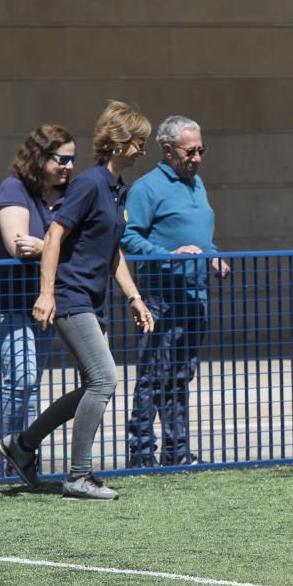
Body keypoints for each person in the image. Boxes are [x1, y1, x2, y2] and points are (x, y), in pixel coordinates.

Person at [0, 101, 156, 500]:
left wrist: (134, 297)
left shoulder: (118, 188)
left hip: (93, 298)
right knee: (105, 380)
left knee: (92, 386)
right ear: (120, 144)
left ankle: (22, 445)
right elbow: (53, 236)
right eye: (139, 143)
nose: (143, 150)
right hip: (71, 296)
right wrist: (47, 293)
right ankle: (78, 476)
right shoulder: (89, 183)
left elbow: (113, 250)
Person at [120, 115, 229, 467]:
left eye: (202, 150)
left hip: (195, 296)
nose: (197, 157)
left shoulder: (197, 185)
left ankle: (176, 451)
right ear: (168, 150)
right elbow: (128, 236)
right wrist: (167, 254)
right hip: (161, 297)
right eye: (190, 151)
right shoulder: (147, 188)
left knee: (181, 375)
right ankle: (141, 454)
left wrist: (214, 258)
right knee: (154, 375)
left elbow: (202, 240)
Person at [0, 125, 75, 477]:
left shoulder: (70, 197)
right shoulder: (15, 188)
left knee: (30, 386)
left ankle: (18, 458)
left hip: (44, 304)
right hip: (7, 305)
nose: (69, 166)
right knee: (20, 380)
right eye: (61, 159)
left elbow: (83, 245)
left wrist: (45, 247)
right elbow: (17, 244)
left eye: (73, 159)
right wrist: (50, 247)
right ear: (40, 157)